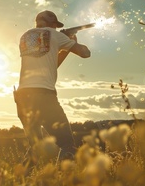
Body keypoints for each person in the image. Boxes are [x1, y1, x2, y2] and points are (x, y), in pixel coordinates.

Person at [14, 10, 90, 166]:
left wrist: (64, 47)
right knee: (67, 143)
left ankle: (20, 181)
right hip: (44, 96)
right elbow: (85, 53)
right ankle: (64, 181)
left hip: (22, 98)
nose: (56, 28)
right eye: (55, 25)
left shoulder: (25, 37)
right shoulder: (55, 35)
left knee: (36, 147)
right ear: (52, 23)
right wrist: (72, 42)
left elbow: (51, 66)